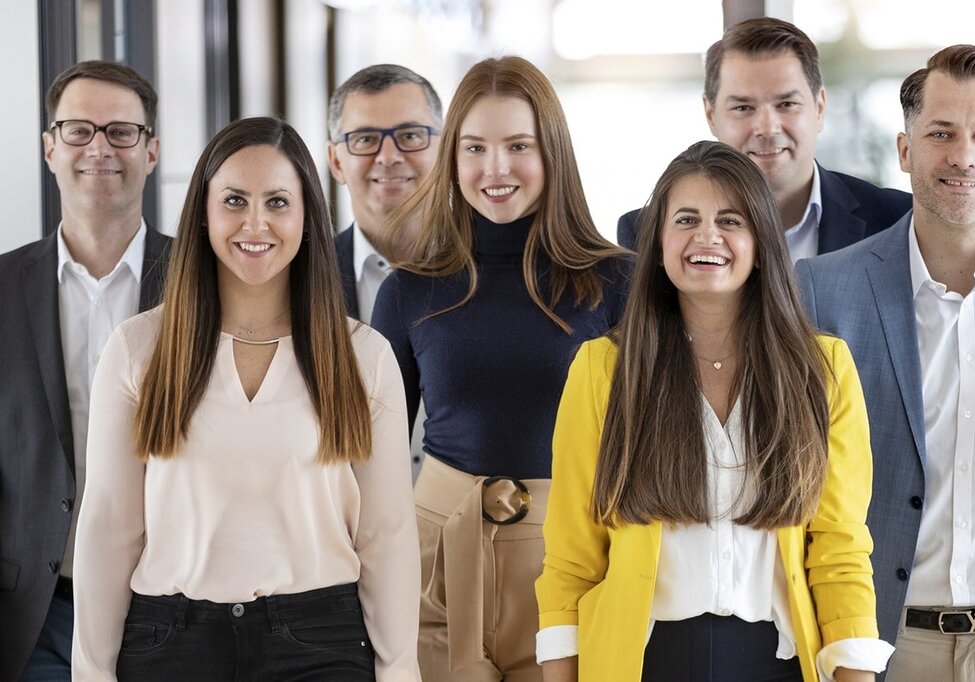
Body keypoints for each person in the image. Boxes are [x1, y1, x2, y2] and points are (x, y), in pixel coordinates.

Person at [70, 117, 419, 681]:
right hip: (169, 645)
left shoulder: (363, 356)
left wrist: (400, 672)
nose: (255, 223)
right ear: (203, 213)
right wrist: (91, 672)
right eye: (234, 200)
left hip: (321, 642)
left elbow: (387, 535)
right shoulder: (138, 349)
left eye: (278, 202)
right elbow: (110, 525)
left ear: (307, 218)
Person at [537, 141, 894, 682]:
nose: (708, 237)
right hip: (642, 661)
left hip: (776, 663)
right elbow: (571, 558)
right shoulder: (603, 370)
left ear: (761, 244)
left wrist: (855, 672)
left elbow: (840, 548)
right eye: (686, 220)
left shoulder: (824, 369)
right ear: (658, 244)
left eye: (730, 220)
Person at [372, 56, 631, 681]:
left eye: (519, 145)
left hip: (575, 559)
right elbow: (366, 458)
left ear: (554, 153)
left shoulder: (616, 279)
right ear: (452, 158)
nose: (496, 169)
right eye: (475, 148)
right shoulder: (408, 289)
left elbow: (645, 437)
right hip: (434, 558)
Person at [796, 45, 975, 681]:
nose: (964, 156)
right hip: (882, 646)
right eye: (941, 134)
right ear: (905, 150)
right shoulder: (821, 289)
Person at [0, 60, 167, 682]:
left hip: (171, 603)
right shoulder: (3, 288)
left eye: (122, 132)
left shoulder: (204, 286)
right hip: (35, 613)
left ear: (151, 151)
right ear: (49, 148)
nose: (100, 148)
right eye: (78, 130)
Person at [617, 18, 910, 260]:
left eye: (786, 105)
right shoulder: (647, 233)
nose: (767, 128)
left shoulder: (898, 220)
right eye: (743, 108)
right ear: (710, 114)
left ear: (819, 108)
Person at [327, 63, 443, 481]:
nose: (389, 156)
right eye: (365, 139)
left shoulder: (494, 271)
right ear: (335, 161)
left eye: (411, 136)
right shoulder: (297, 280)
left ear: (444, 149)